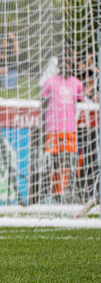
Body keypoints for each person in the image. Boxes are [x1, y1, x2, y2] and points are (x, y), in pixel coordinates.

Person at [41, 57, 84, 200]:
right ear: (59, 65)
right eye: (63, 63)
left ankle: (63, 190)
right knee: (53, 160)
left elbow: (80, 103)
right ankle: (53, 191)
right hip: (53, 128)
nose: (66, 66)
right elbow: (43, 101)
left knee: (66, 160)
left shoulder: (77, 84)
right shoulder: (50, 82)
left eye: (69, 63)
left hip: (70, 128)